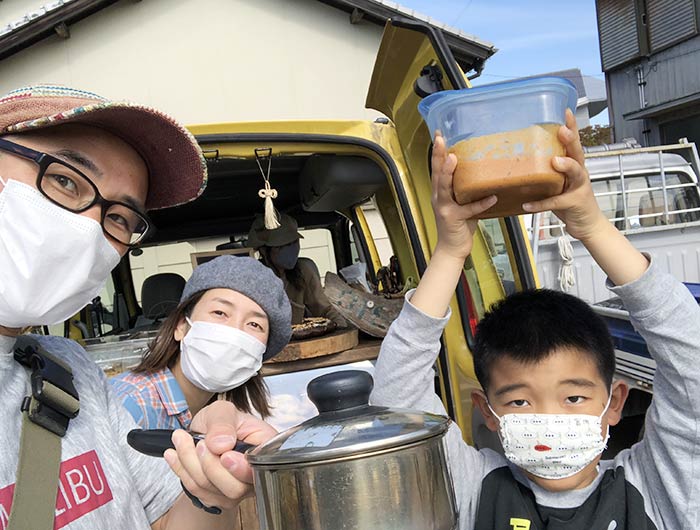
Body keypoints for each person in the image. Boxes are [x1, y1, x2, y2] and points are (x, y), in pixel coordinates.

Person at [370, 110, 699, 529]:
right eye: (520, 402)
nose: (550, 421)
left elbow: (691, 355)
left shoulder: (657, 490)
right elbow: (397, 404)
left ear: (614, 403)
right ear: (488, 413)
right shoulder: (473, 490)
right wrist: (451, 252)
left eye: (574, 399)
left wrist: (594, 226)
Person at [0, 84, 275, 529]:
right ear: (181, 325)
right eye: (65, 181)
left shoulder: (69, 371)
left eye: (119, 218)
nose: (89, 229)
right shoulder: (126, 394)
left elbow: (165, 519)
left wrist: (209, 491)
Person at [110, 255, 291, 429]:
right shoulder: (130, 406)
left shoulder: (230, 415)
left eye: (254, 324)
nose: (234, 332)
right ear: (181, 326)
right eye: (220, 313)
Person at [248, 212, 348, 328]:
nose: (291, 249)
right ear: (264, 251)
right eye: (281, 247)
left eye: (294, 242)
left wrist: (341, 328)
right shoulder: (252, 278)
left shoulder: (303, 270)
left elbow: (325, 309)